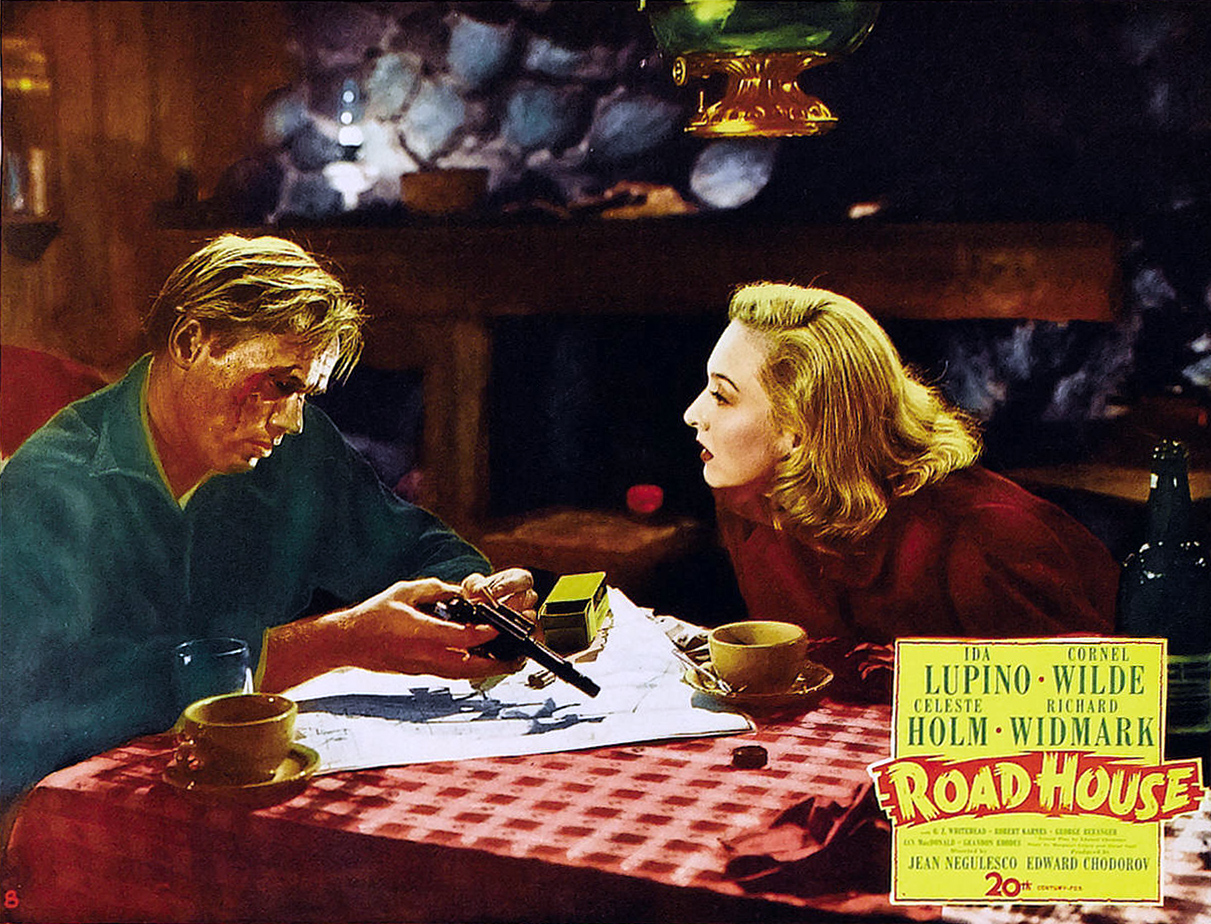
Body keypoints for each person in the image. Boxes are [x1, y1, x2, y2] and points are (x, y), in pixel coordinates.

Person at [0, 234, 534, 803]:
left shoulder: (299, 453)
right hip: (82, 812)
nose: (292, 421)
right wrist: (336, 641)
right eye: (280, 385)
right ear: (190, 342)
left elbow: (420, 550)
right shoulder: (52, 483)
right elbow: (46, 703)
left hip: (261, 793)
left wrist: (477, 595)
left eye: (306, 394)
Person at [682, 282, 1119, 697]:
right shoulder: (755, 505)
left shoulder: (982, 540)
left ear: (800, 426)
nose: (692, 413)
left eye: (721, 395)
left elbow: (1082, 706)